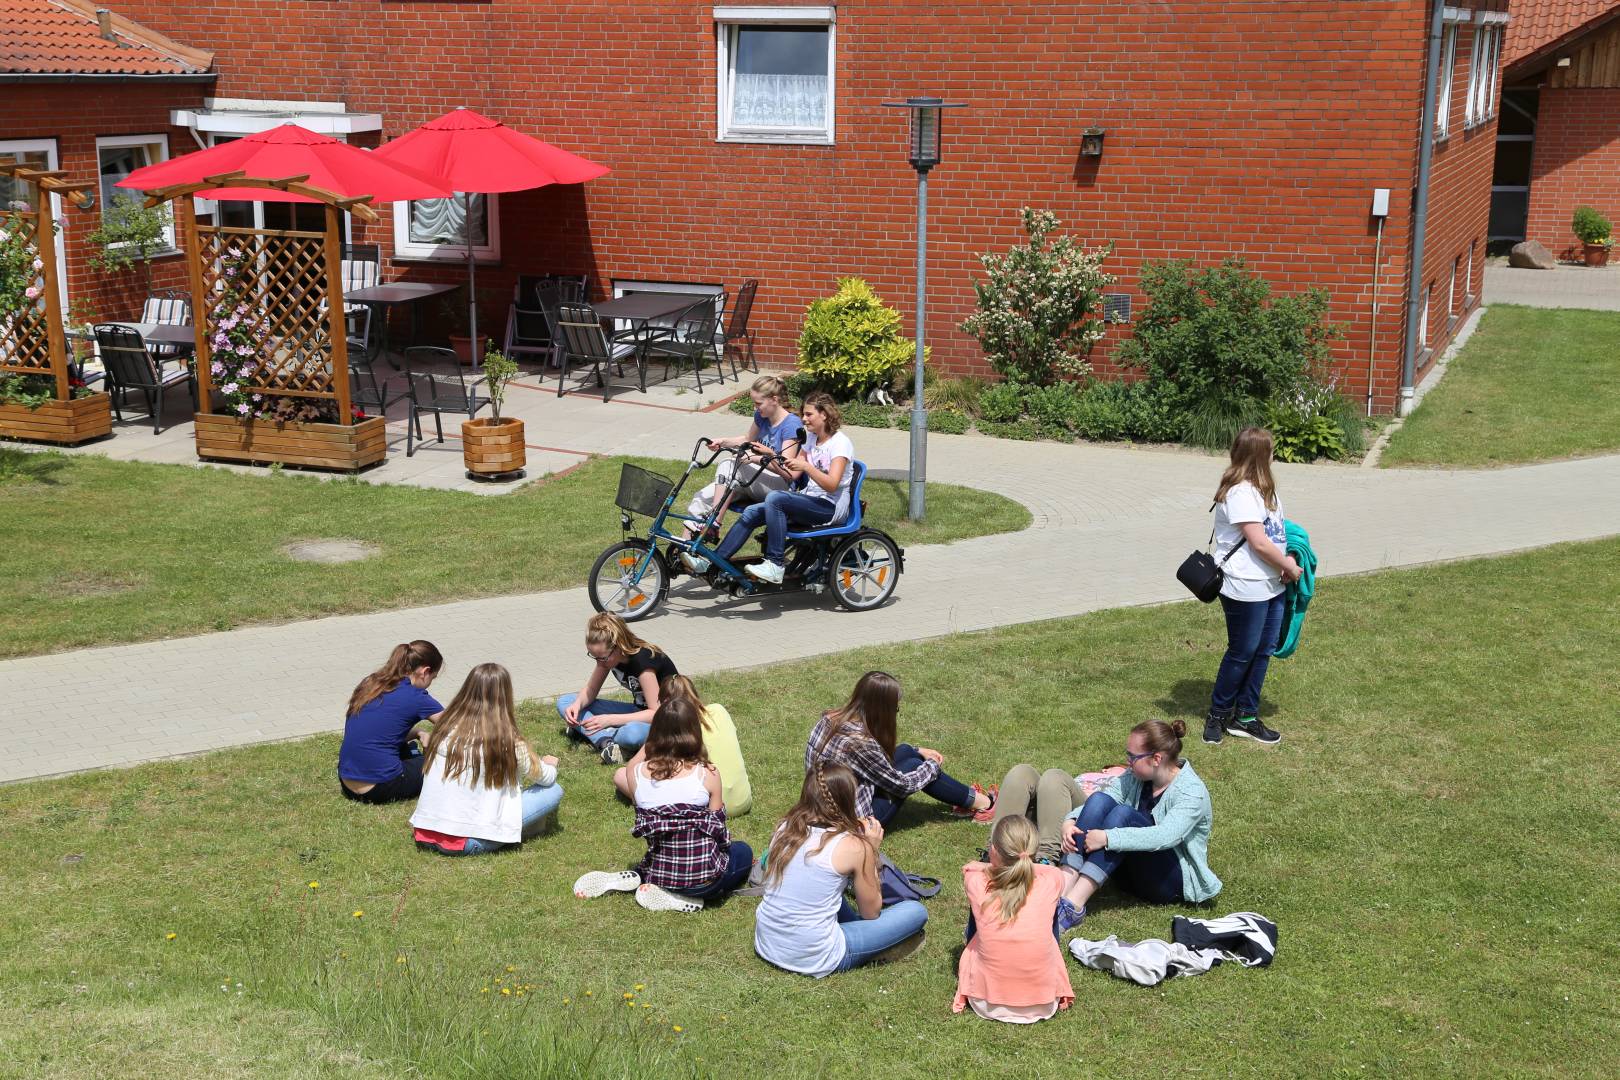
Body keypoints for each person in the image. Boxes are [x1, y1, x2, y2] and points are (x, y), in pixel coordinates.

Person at [573, 697, 752, 913]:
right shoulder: (708, 773)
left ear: (655, 731)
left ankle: (642, 875)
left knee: (662, 850)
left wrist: (653, 740)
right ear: (694, 731)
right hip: (705, 881)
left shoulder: (636, 773)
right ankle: (679, 893)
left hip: (660, 873)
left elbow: (632, 765)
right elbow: (719, 830)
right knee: (743, 851)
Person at [754, 762, 928, 976]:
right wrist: (870, 851)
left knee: (826, 892)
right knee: (915, 912)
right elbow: (871, 913)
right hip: (817, 956)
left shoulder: (785, 829)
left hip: (767, 944)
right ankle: (872, 950)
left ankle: (863, 938)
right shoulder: (853, 847)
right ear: (847, 799)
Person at [1054, 720, 1221, 932]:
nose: (1127, 761)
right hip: (1131, 871)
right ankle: (1062, 889)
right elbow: (1107, 797)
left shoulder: (1191, 791)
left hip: (1168, 881)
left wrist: (1108, 838)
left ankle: (1073, 906)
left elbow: (1166, 836)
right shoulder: (1137, 776)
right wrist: (1071, 820)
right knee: (1098, 800)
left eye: (1133, 757)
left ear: (1157, 759)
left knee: (1123, 814)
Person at [1205, 426, 1301, 746]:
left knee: (1262, 652)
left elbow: (1274, 535)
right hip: (1245, 586)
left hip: (1271, 583)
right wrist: (1286, 565)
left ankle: (1245, 716)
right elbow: (1258, 543)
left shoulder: (1265, 489)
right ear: (1260, 455)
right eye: (1271, 450)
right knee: (1242, 651)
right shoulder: (1241, 492)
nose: (1274, 454)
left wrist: (1284, 564)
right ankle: (1218, 715)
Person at [409, 663, 563, 855]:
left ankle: (524, 829)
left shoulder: (445, 727)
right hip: (469, 841)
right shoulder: (506, 741)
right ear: (505, 695)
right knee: (553, 790)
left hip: (425, 831)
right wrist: (550, 764)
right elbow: (545, 778)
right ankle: (520, 831)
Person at [806, 671, 995, 827]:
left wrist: (917, 749)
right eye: (895, 709)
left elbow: (874, 760)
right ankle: (985, 805)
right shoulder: (860, 743)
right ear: (881, 709)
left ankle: (969, 800)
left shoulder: (829, 719)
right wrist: (931, 766)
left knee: (906, 751)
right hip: (853, 821)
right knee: (914, 765)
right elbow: (903, 786)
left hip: (820, 803)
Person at [708, 391, 854, 585]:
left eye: (809, 414)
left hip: (830, 507)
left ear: (824, 415)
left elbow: (832, 484)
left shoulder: (840, 443)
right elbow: (789, 473)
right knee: (752, 511)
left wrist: (807, 467)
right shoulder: (811, 439)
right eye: (804, 414)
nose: (804, 419)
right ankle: (716, 561)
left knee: (776, 498)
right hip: (810, 499)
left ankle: (775, 564)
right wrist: (771, 454)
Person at [954, 816, 1074, 1023]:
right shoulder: (1052, 880)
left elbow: (969, 868)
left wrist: (985, 866)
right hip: (1044, 1003)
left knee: (978, 915)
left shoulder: (976, 881)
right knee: (1048, 916)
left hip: (985, 1002)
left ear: (994, 851)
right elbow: (1051, 870)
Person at [679, 375, 804, 560]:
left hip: (779, 486)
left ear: (774, 400)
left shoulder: (791, 424)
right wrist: (722, 441)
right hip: (753, 481)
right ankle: (685, 553)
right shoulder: (762, 416)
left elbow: (786, 468)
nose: (755, 407)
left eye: (758, 403)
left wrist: (754, 458)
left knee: (729, 464)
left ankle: (714, 524)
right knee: (702, 498)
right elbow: (747, 439)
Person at [613, 674, 752, 816]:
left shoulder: (671, 727)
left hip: (703, 805)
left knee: (621, 775)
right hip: (742, 800)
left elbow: (633, 769)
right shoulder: (718, 709)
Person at [557, 612, 678, 765]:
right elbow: (591, 690)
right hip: (639, 711)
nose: (599, 662)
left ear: (618, 646)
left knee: (631, 734)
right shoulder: (609, 659)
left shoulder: (642, 662)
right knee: (566, 701)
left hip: (666, 721)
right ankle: (606, 741)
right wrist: (577, 705)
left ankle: (591, 731)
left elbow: (657, 714)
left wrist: (611, 720)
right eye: (594, 656)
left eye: (602, 657)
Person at [338, 640, 445, 804]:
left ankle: (413, 758)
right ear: (425, 671)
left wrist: (418, 732)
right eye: (433, 677)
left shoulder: (371, 683)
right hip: (381, 787)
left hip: (347, 783)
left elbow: (381, 732)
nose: (430, 683)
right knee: (443, 761)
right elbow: (457, 727)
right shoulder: (415, 696)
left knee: (405, 747)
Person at [988, 764, 1090, 866]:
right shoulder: (1088, 776)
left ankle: (1045, 861)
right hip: (1056, 799)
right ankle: (996, 850)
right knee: (1022, 773)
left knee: (1054, 778)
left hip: (1091, 811)